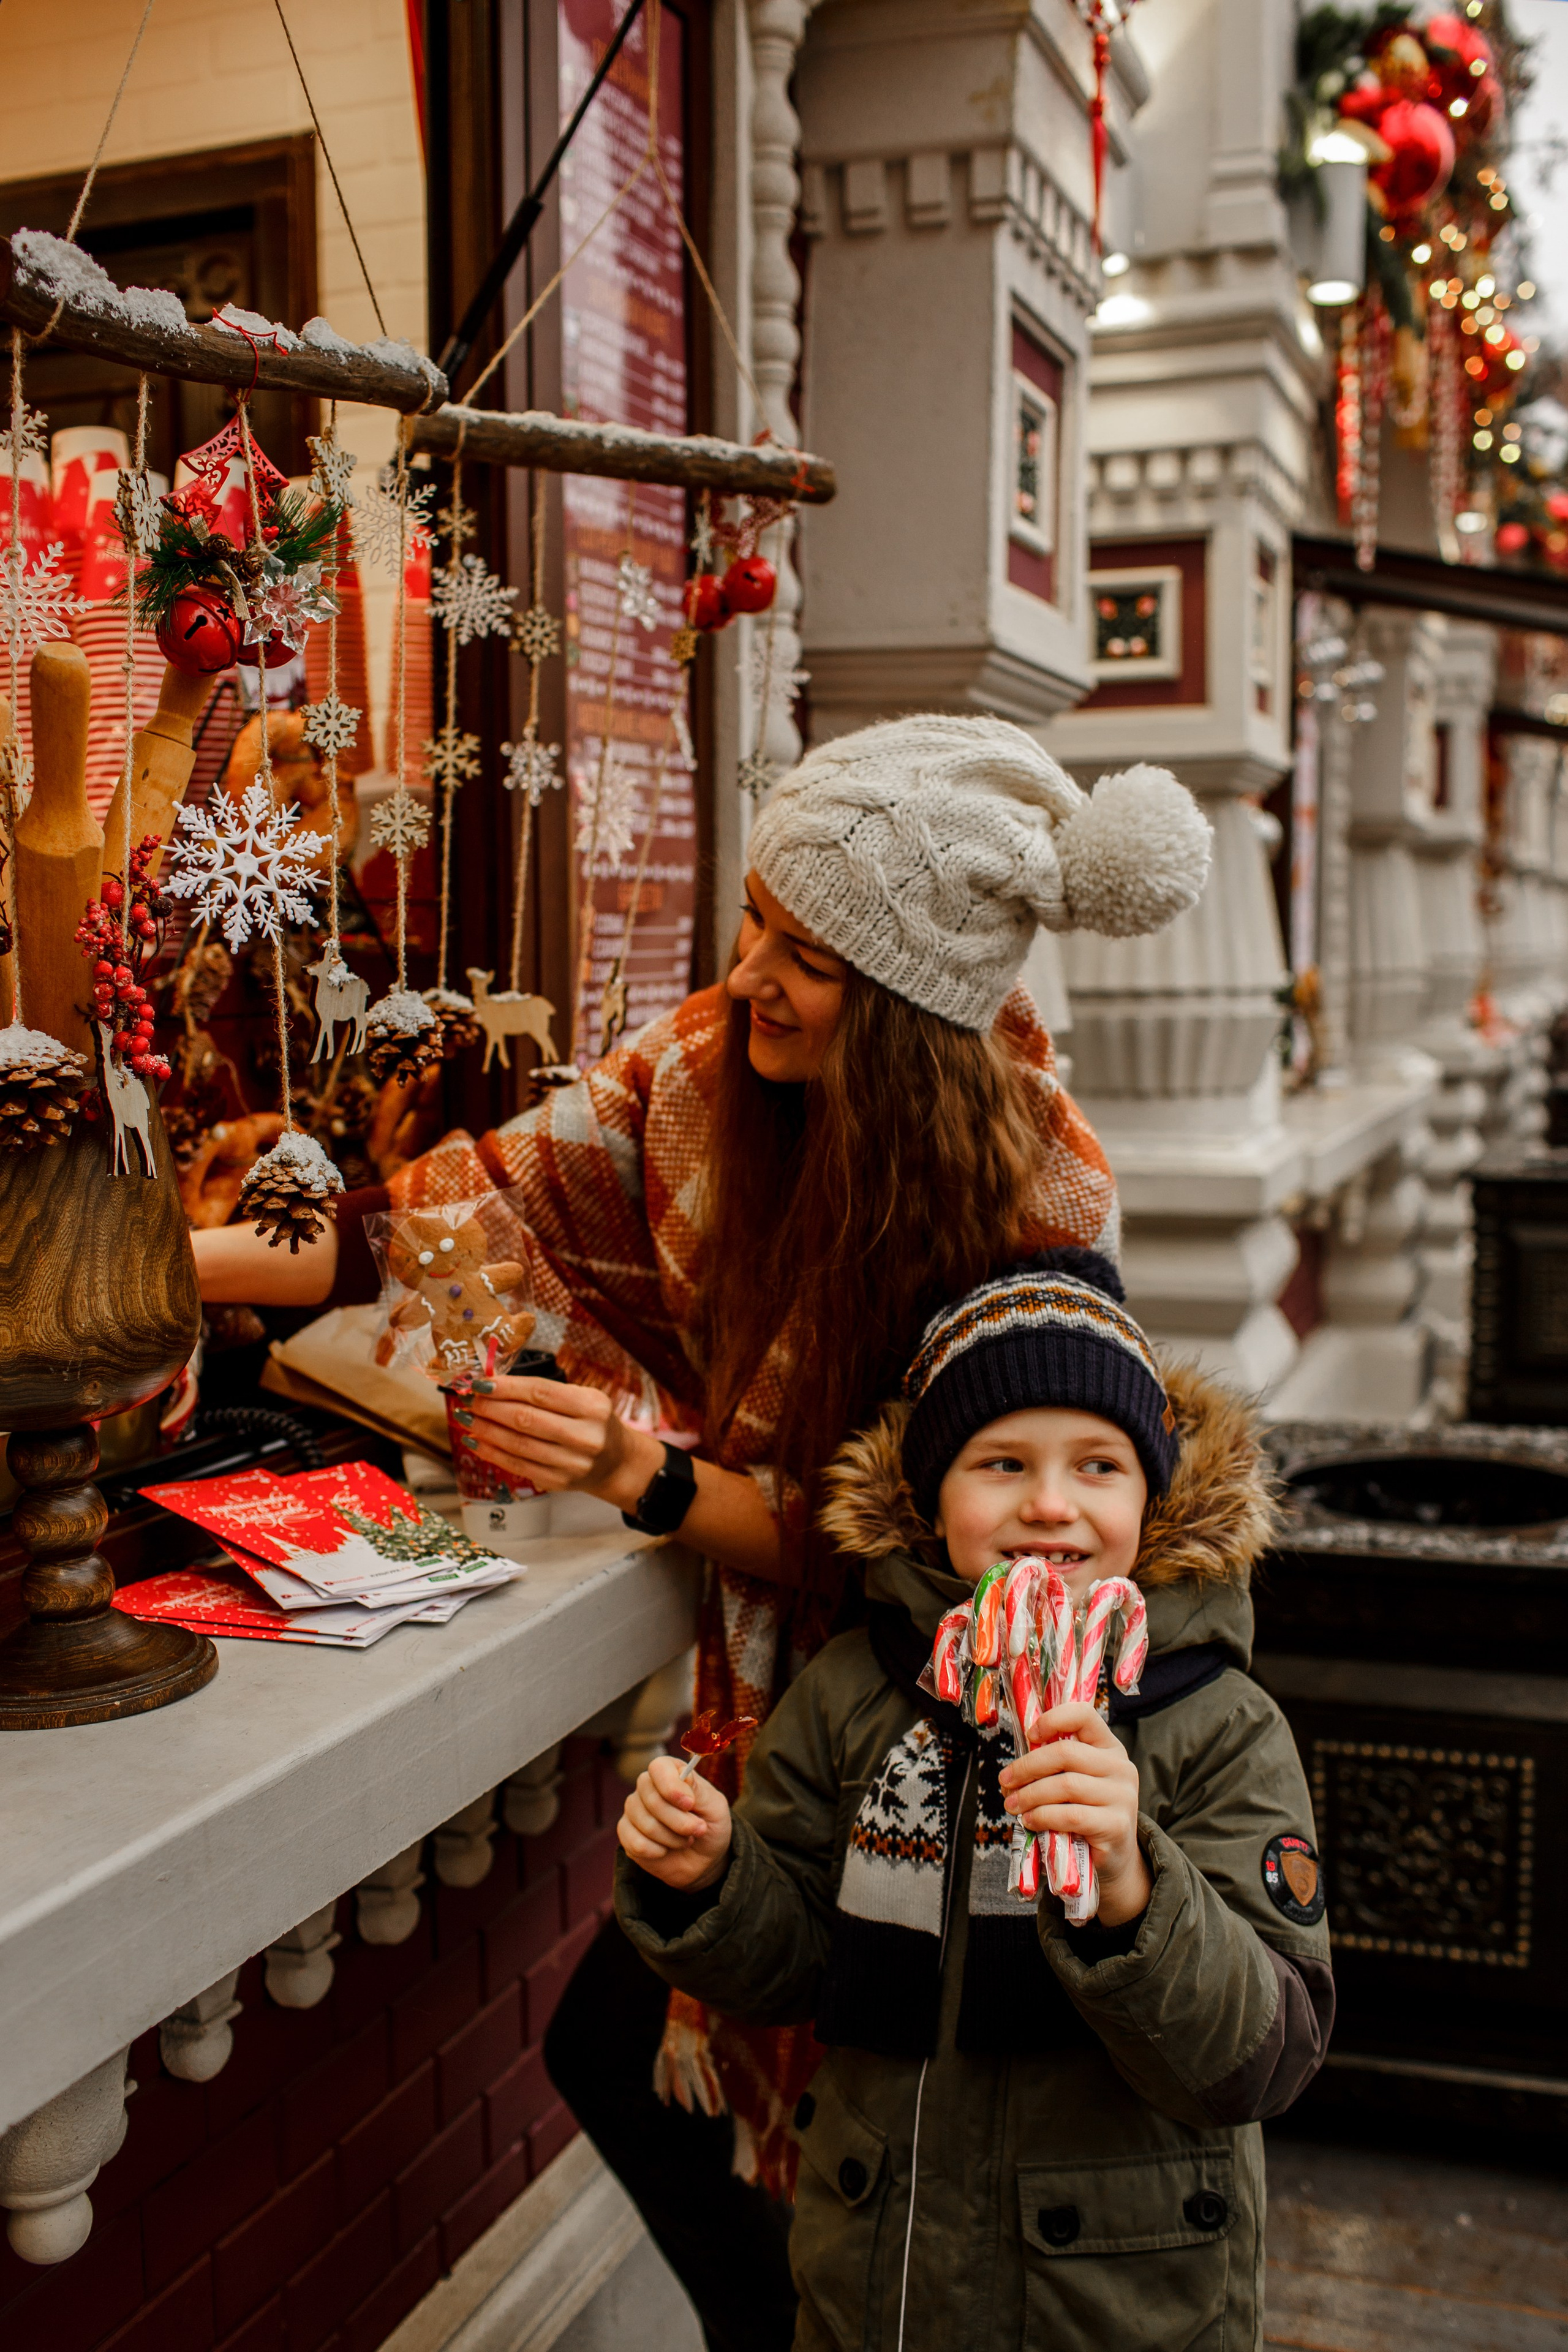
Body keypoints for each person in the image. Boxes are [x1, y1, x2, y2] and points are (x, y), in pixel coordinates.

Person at [192, 715, 1212, 2352]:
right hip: (774, 1709)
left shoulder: (1037, 1204)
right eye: (751, 922)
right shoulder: (702, 1080)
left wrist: (641, 1471)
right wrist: (163, 1267)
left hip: (926, 1737)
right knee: (667, 2074)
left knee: (780, 2103)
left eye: (805, 954)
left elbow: (942, 1556)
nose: (751, 976)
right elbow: (458, 1216)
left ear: (905, 1003)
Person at [614, 1250, 1334, 2352]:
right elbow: (796, 1965)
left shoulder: (1219, 1724)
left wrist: (1136, 1886)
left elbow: (1261, 2055)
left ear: (1156, 1492)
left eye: (1100, 1466)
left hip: (1118, 2303)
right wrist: (713, 1880)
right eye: (1001, 1462)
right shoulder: (862, 1690)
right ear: (931, 1491)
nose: (1050, 1504)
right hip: (879, 2277)